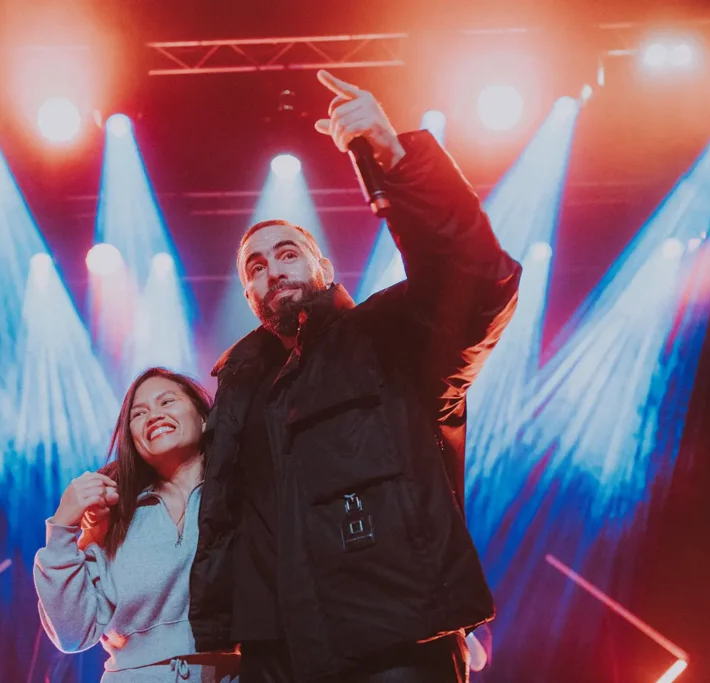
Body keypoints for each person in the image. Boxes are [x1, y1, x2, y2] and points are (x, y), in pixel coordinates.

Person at [189, 70, 522, 683]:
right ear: (247, 293)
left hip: (394, 642)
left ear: (323, 265)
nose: (272, 270)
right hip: (276, 653)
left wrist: (398, 160)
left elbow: (478, 280)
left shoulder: (389, 338)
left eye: (288, 252)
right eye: (255, 267)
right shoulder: (236, 392)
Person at [35, 367, 240, 682]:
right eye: (139, 413)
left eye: (167, 402)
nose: (153, 416)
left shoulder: (243, 496)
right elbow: (73, 634)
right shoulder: (112, 516)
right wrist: (64, 526)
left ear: (203, 417)